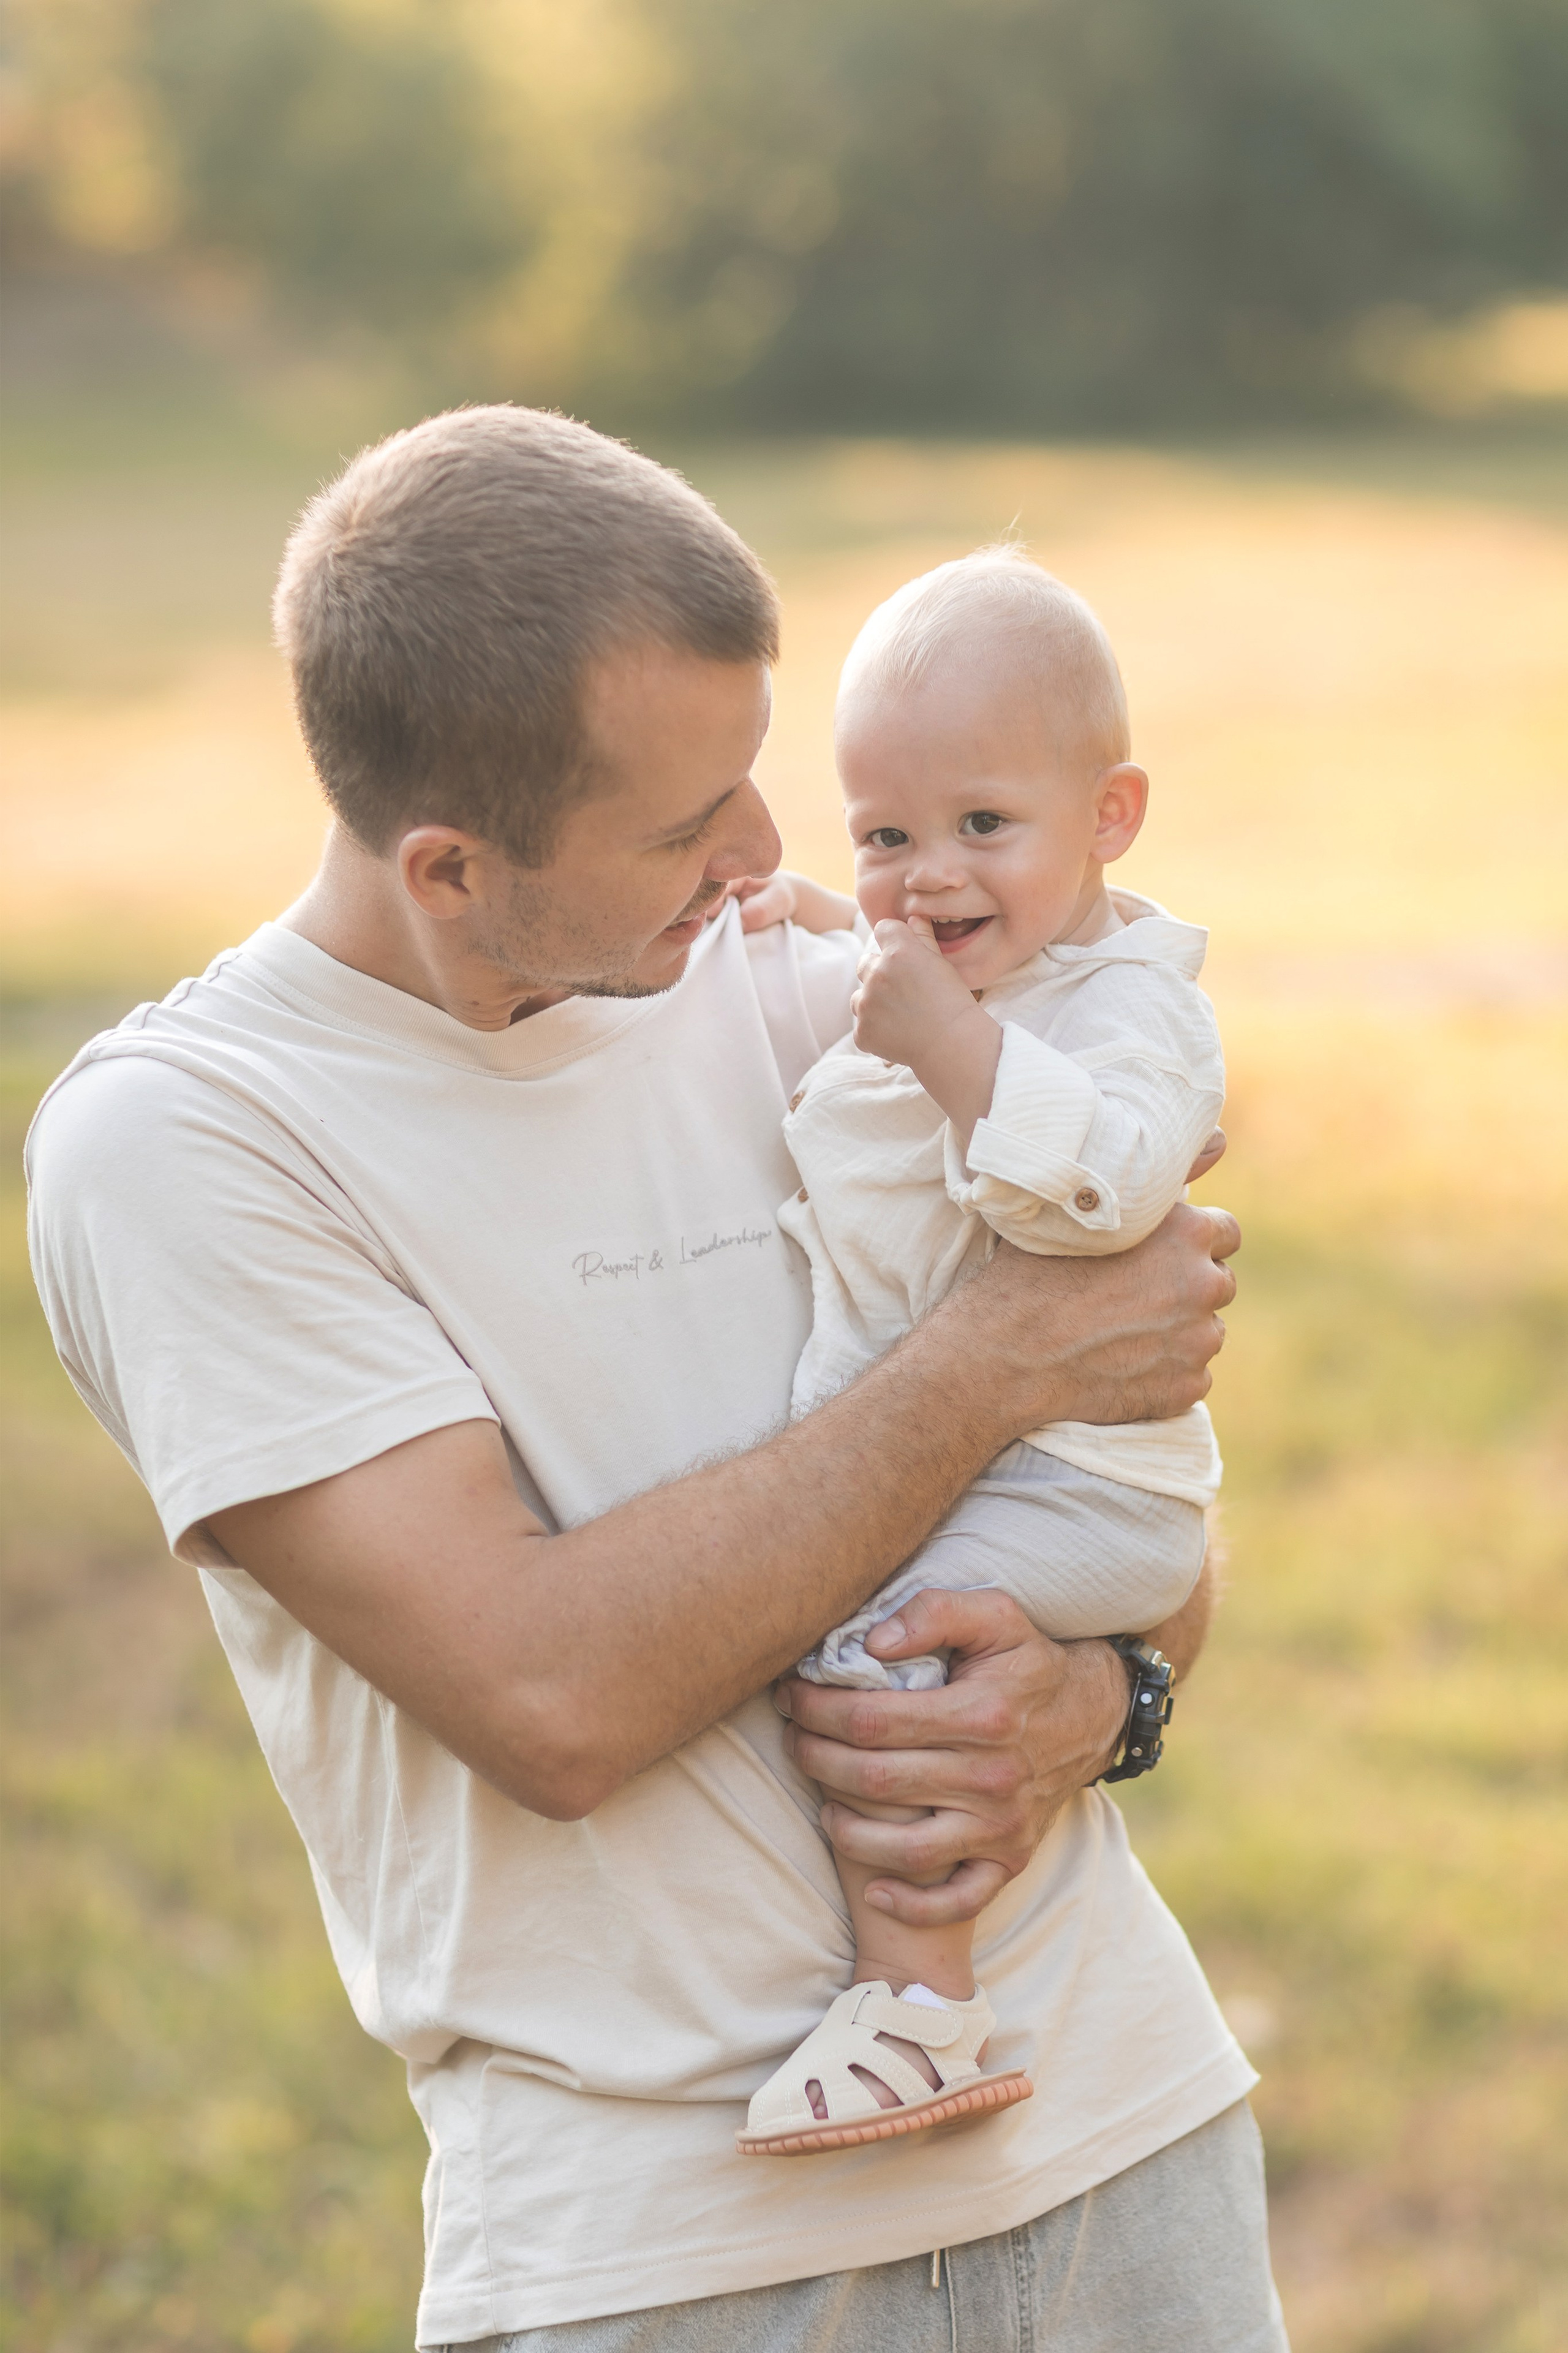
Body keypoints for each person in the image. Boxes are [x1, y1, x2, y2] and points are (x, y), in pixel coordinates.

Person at [26, 407, 1282, 2351]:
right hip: (688, 2266)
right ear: (450, 866)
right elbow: (552, 1691)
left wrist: (1104, 1698)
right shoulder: (196, 1143)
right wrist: (990, 1360)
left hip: (1133, 2148)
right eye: (690, 824)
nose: (781, 859)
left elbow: (1136, 1523)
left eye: (761, 778)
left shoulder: (820, 996)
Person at [737, 550, 1227, 2158]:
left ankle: (923, 2001)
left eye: (981, 829)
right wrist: (818, 920)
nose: (925, 877)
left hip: (1088, 1488)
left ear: (1113, 816)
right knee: (862, 1622)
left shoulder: (1122, 1007)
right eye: (885, 836)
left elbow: (1111, 1187)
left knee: (874, 1655)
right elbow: (881, 1000)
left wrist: (956, 1049)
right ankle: (921, 1993)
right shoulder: (985, 966)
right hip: (1029, 1466)